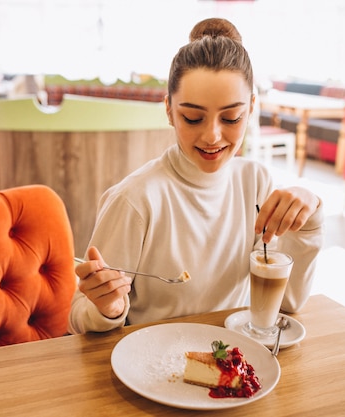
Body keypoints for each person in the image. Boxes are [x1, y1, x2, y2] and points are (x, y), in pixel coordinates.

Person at [68, 18, 323, 334]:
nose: (213, 136)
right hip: (154, 368)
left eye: (231, 118)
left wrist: (309, 222)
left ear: (252, 107)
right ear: (169, 110)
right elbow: (78, 314)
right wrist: (108, 309)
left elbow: (287, 304)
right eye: (192, 118)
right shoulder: (136, 200)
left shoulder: (256, 183)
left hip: (235, 363)